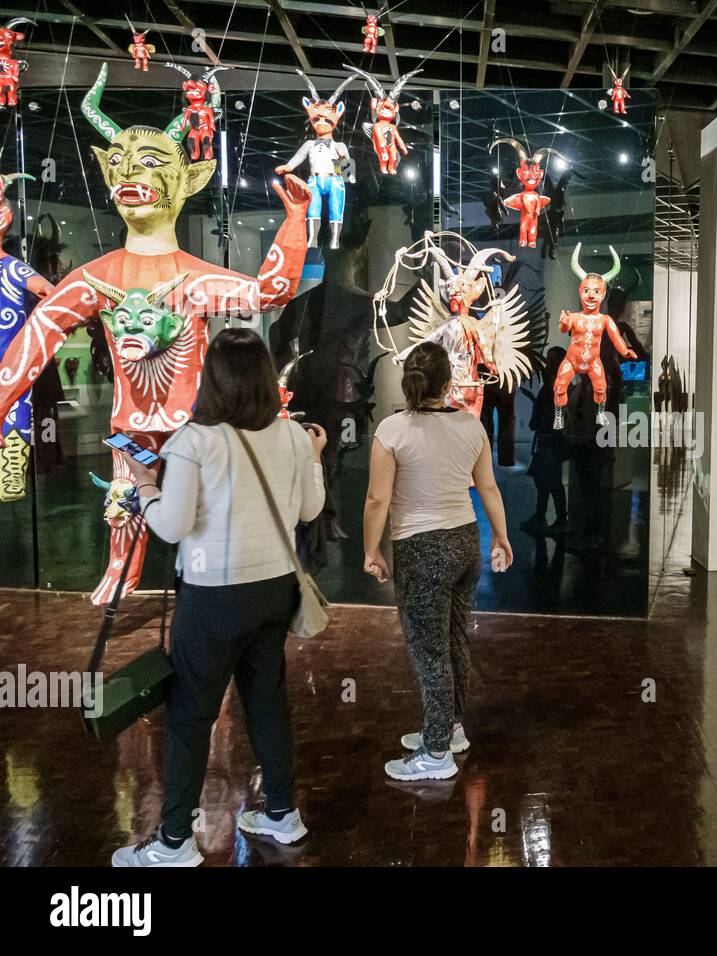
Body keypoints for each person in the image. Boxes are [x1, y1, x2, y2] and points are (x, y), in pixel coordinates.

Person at [111, 328, 327, 867]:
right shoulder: (293, 437)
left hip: (212, 599)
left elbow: (172, 525)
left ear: (212, 378)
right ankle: (281, 811)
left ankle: (175, 842)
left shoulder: (193, 441)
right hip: (275, 590)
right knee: (266, 700)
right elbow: (308, 511)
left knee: (190, 715)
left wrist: (144, 486)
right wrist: (315, 455)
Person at [363, 341, 513, 781]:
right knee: (454, 640)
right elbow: (488, 488)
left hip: (421, 548)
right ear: (449, 383)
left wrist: (371, 550)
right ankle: (451, 728)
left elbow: (377, 499)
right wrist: (500, 536)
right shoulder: (470, 426)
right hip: (465, 543)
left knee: (429, 649)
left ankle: (435, 752)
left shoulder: (392, 430)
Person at [522, 346, 569, 537]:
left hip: (550, 442)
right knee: (545, 481)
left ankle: (559, 520)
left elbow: (544, 419)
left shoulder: (552, 389)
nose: (547, 364)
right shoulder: (555, 388)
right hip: (550, 442)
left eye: (551, 361)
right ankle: (544, 517)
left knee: (552, 482)